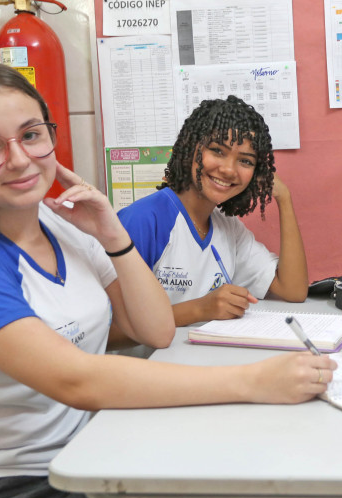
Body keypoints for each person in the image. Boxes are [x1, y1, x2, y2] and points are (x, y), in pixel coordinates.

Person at [0, 62, 336, 498]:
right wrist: (253, 382)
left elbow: (155, 331)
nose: (19, 159)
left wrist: (113, 236)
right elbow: (75, 380)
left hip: (83, 452)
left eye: (31, 135)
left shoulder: (65, 226)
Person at [116, 97, 306, 339]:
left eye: (245, 161)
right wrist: (199, 309)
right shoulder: (142, 220)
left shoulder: (228, 228)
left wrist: (284, 198)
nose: (228, 169)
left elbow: (293, 290)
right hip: (143, 362)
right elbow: (106, 332)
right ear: (190, 147)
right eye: (217, 151)